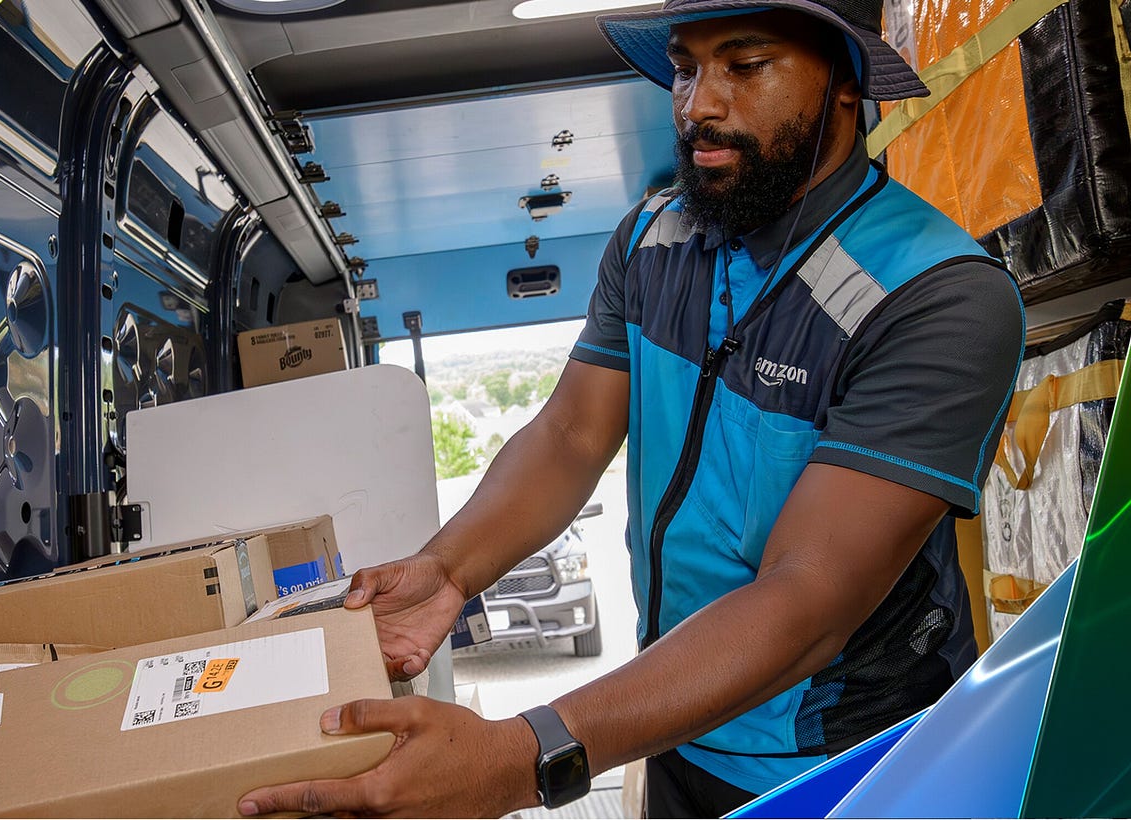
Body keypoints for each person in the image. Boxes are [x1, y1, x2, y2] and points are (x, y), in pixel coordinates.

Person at [239, 0, 1024, 815]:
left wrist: (524, 753)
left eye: (745, 66)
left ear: (847, 85)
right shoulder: (653, 236)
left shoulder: (939, 297)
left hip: (848, 763)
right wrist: (447, 571)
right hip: (673, 724)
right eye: (685, 69)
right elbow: (572, 435)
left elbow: (810, 596)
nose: (698, 104)